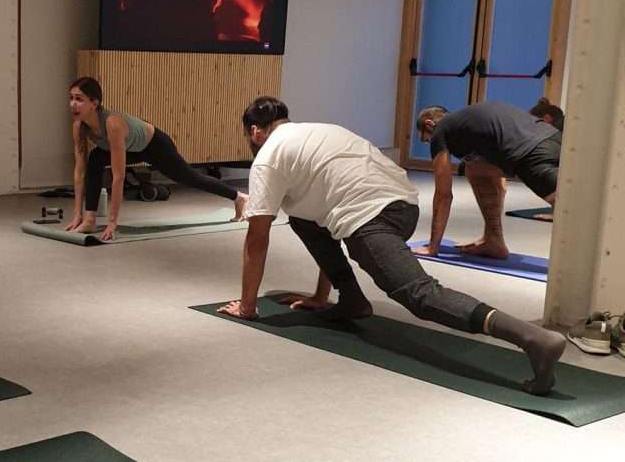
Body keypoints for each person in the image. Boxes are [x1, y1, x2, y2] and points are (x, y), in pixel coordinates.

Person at [218, 96, 566, 395]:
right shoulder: (322, 130)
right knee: (302, 216)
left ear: (255, 131)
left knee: (419, 293)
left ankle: (533, 339)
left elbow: (257, 237)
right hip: (405, 207)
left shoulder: (268, 156)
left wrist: (248, 307)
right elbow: (318, 214)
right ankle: (351, 299)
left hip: (370, 217)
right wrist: (321, 296)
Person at [65, 77, 246, 241]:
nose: (73, 104)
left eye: (79, 99)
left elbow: (118, 176)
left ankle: (238, 197)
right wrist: (77, 216)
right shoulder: (79, 127)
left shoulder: (113, 124)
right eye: (71, 98)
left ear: (94, 103)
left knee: (189, 177)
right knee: (95, 159)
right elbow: (79, 172)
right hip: (133, 148)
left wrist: (113, 222)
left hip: (154, 145)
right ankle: (89, 219)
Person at [415, 101, 561, 259]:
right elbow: (498, 180)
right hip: (554, 138)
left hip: (531, 153)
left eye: (426, 139)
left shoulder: (441, 129)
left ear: (429, 125)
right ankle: (494, 239)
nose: (430, 142)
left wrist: (433, 246)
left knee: (572, 209)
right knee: (475, 169)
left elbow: (443, 195)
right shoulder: (470, 122)